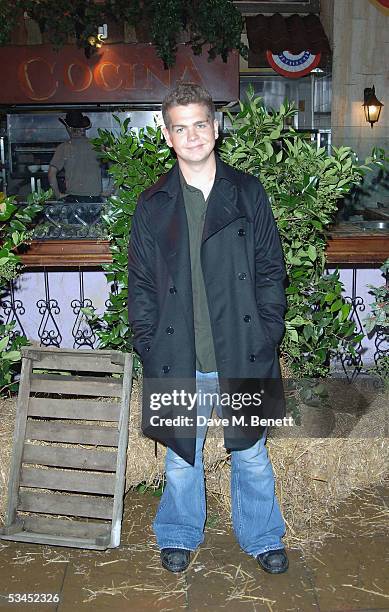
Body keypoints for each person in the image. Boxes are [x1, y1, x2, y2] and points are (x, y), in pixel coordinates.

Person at [127, 82, 289, 575]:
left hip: (242, 348)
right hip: (179, 353)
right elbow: (140, 286)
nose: (193, 134)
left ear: (215, 127)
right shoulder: (152, 204)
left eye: (201, 123)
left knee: (253, 453)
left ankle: (263, 537)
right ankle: (178, 532)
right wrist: (149, 344)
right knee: (181, 456)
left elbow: (270, 269)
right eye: (181, 127)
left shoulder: (247, 192)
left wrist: (267, 330)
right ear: (167, 134)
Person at [48, 110, 102, 202]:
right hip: (95, 198)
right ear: (84, 128)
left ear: (68, 128)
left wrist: (57, 194)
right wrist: (111, 190)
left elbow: (51, 173)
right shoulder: (97, 146)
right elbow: (116, 165)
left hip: (73, 198)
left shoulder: (63, 147)